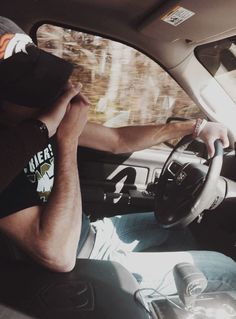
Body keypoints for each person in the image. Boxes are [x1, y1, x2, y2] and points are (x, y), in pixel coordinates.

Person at [0, 16, 235, 296]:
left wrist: (195, 127)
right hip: (83, 261)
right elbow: (59, 255)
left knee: (180, 230)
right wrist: (68, 140)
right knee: (227, 270)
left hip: (95, 233)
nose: (42, 96)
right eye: (25, 90)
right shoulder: (7, 158)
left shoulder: (39, 119)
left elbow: (117, 140)